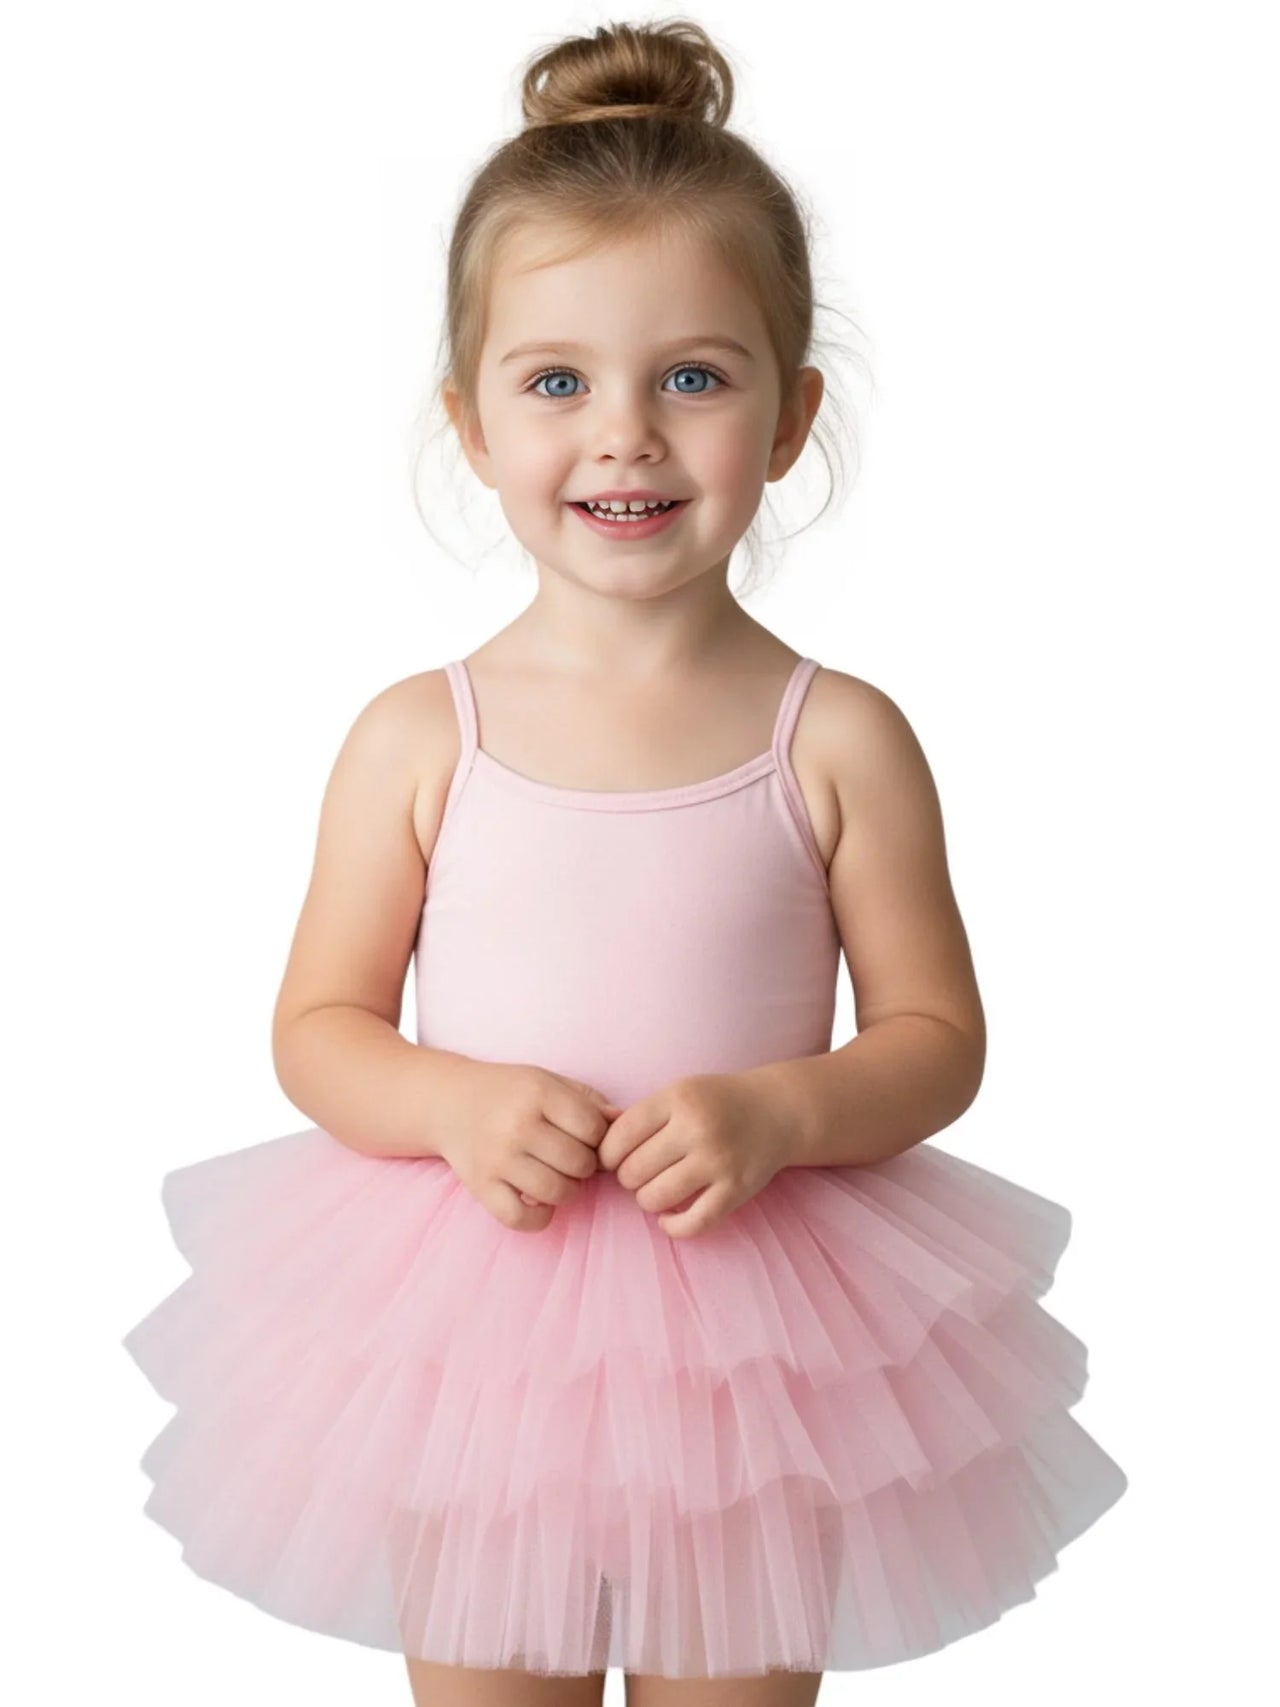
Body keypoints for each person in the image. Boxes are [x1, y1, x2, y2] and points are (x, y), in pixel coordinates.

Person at [121, 17, 1128, 1706]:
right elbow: (318, 1027)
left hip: (756, 1335)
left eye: (695, 376)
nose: (626, 436)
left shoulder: (839, 737)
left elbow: (937, 1041)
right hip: (474, 1328)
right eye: (558, 380)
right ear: (471, 416)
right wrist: (444, 1103)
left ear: (792, 414)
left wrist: (784, 1111)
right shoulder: (417, 735)